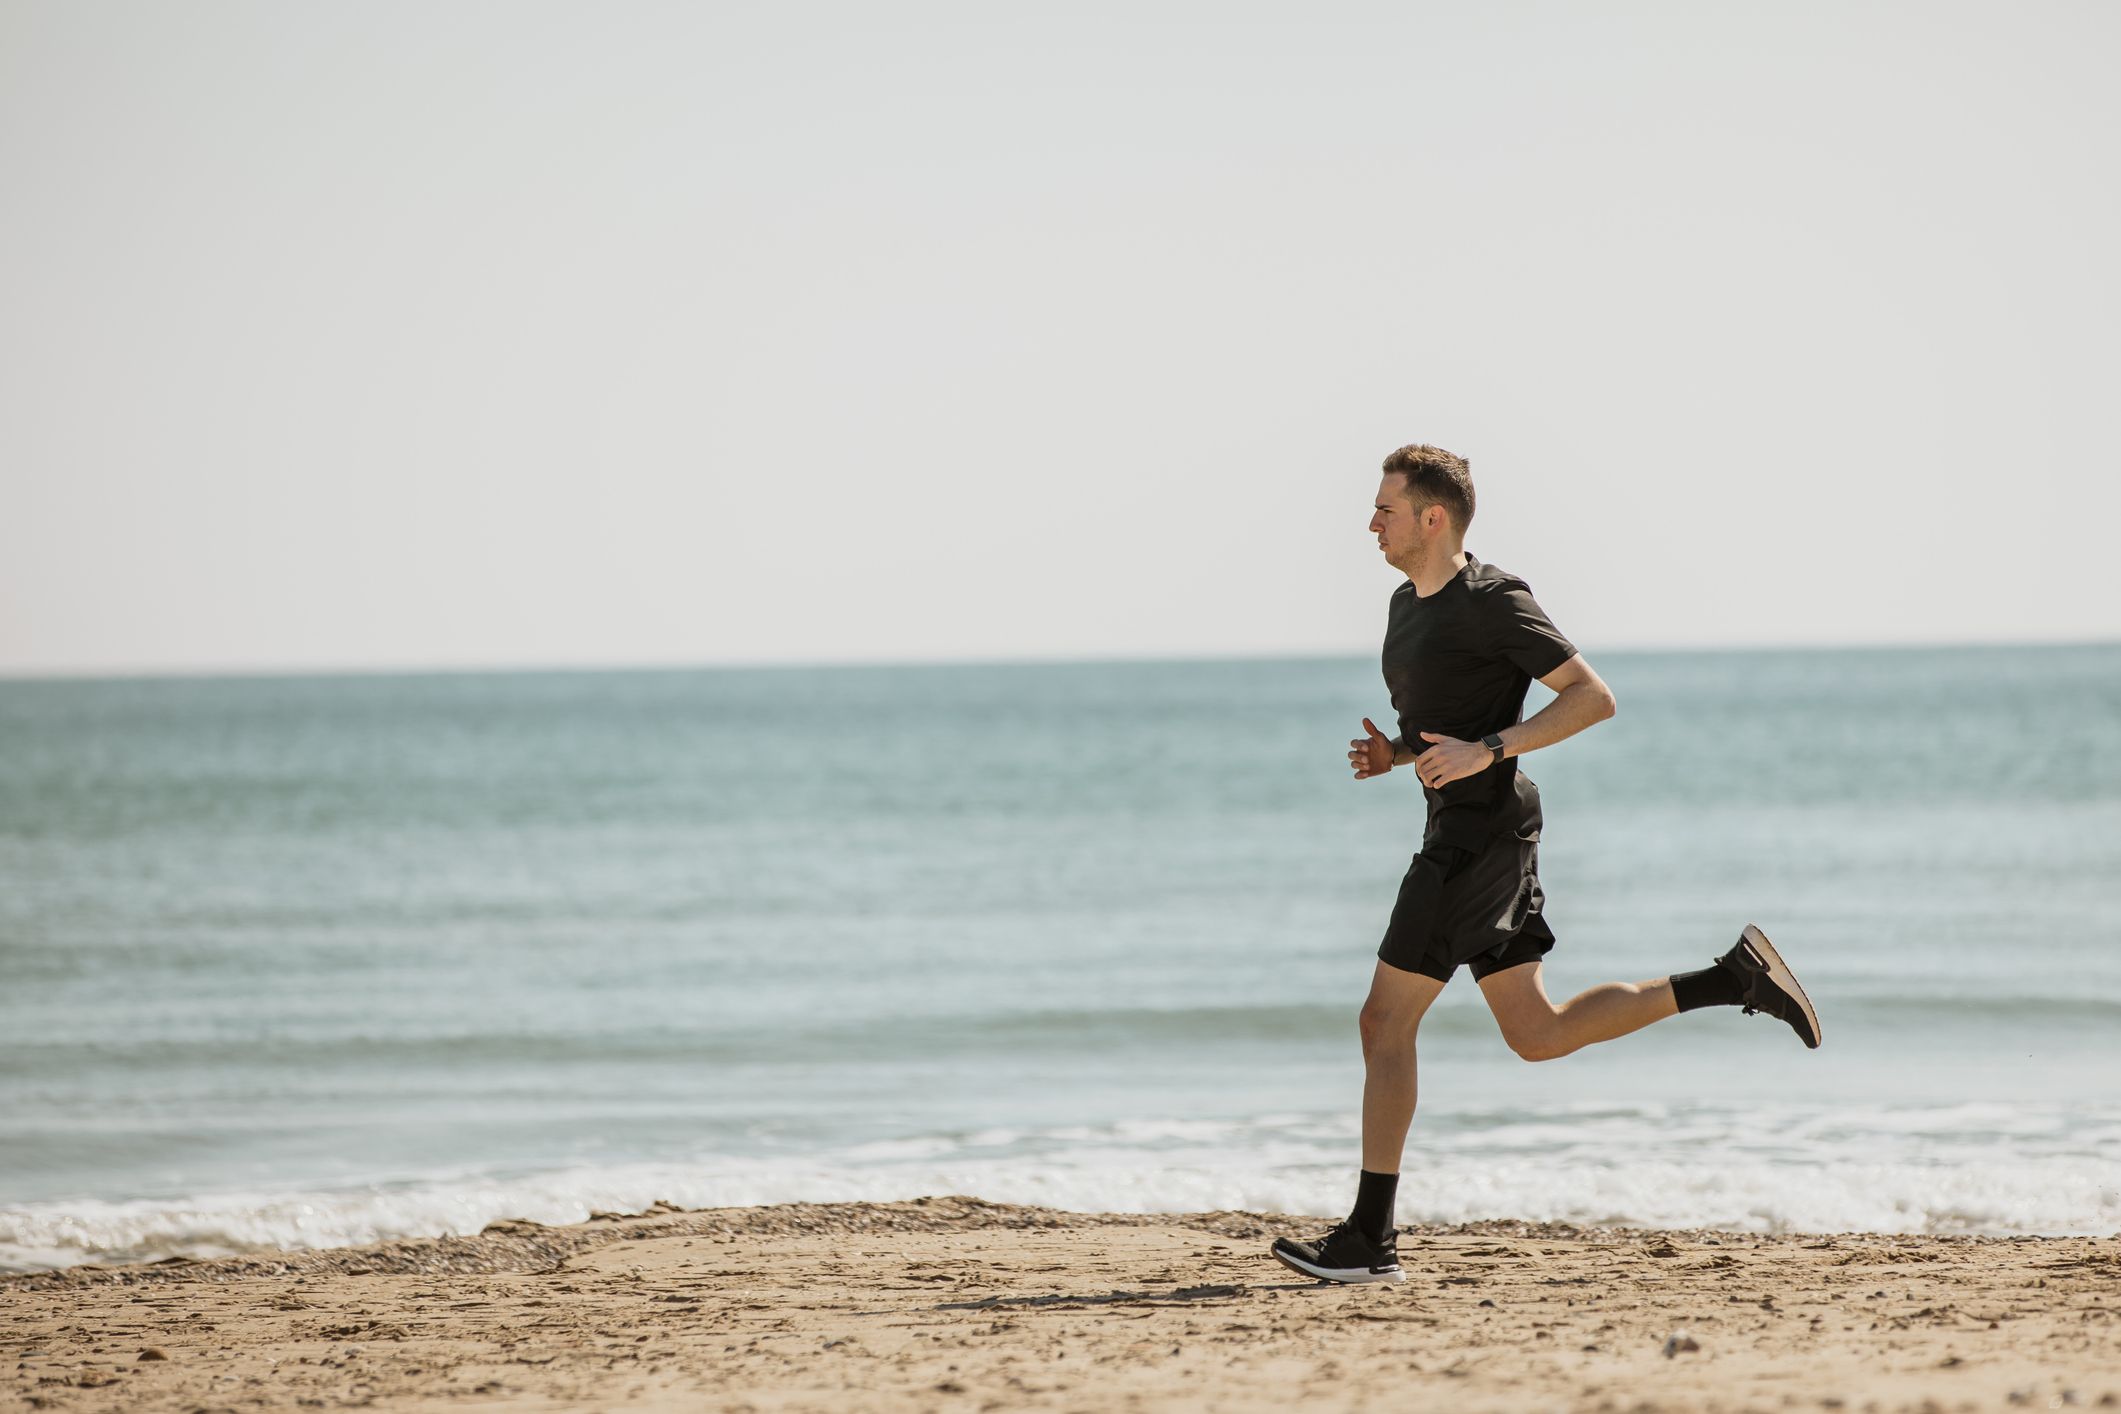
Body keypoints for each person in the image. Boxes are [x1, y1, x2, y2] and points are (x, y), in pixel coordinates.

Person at [1269, 443, 1821, 1286]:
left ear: (1433, 518)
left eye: (1385, 508)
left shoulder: (1494, 599)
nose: (1369, 522)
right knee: (1537, 1033)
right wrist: (1397, 756)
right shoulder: (1402, 606)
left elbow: (1590, 697)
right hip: (1469, 825)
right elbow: (1444, 728)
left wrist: (1492, 748)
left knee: (1383, 1024)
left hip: (1478, 836)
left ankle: (1369, 1239)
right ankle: (1732, 978)